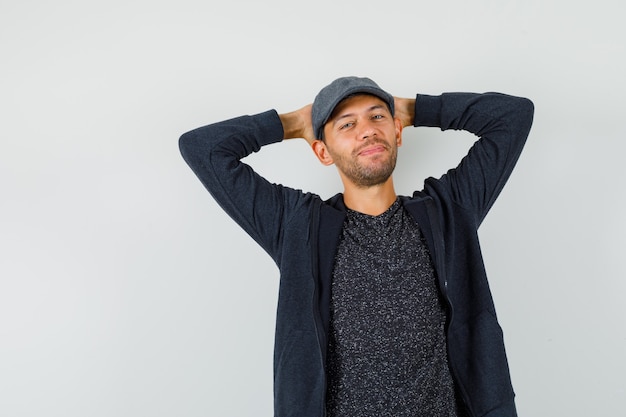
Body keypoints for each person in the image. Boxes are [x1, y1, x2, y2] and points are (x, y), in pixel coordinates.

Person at [179, 76, 534, 417]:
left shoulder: (450, 211)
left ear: (397, 132)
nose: (367, 130)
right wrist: (292, 123)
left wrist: (413, 110)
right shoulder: (296, 226)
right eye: (346, 124)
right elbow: (202, 148)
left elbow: (513, 116)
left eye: (377, 116)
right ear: (322, 151)